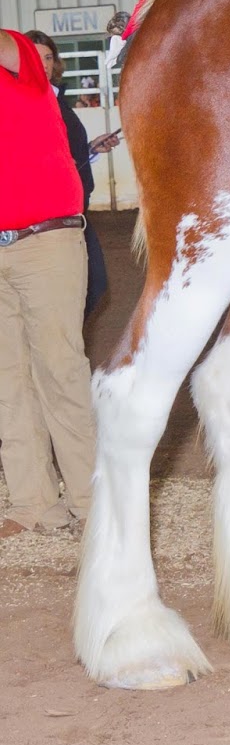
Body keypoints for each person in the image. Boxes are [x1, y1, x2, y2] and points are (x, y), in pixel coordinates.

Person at [0, 27, 98, 539]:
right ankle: (33, 502)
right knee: (7, 381)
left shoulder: (25, 71)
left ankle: (91, 500)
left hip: (46, 243)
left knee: (59, 369)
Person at [24, 30, 118, 317]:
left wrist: (89, 149)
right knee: (81, 289)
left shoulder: (56, 100)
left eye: (49, 57)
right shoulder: (31, 102)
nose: (44, 64)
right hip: (51, 218)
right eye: (36, 58)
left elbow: (62, 153)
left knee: (92, 286)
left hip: (74, 212)